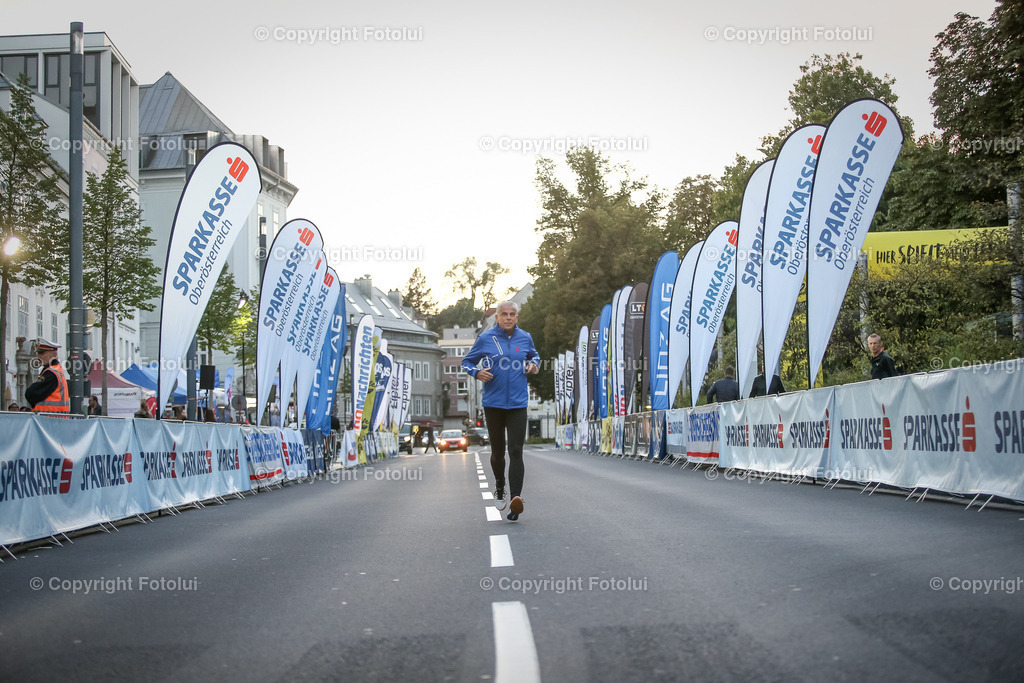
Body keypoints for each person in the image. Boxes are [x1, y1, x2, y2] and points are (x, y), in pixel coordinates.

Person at [463, 301, 539, 521]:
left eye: (512, 314)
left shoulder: (525, 337)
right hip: (493, 404)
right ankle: (499, 486)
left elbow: (534, 356)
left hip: (518, 404)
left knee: (516, 450)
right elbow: (467, 362)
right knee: (497, 452)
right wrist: (477, 373)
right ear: (497, 317)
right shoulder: (485, 338)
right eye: (504, 314)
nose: (508, 317)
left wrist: (534, 364)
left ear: (517, 317)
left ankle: (516, 500)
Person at [25, 339, 70, 417]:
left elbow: (31, 394)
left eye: (41, 353)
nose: (38, 356)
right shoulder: (56, 370)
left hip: (48, 419)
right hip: (54, 418)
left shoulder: (51, 373)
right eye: (37, 353)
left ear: (53, 355)